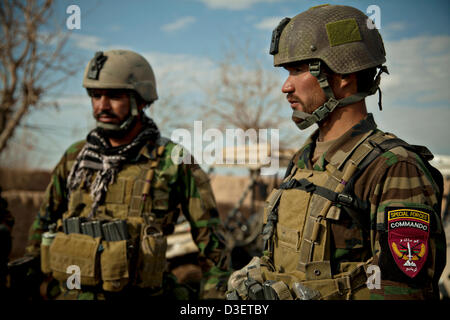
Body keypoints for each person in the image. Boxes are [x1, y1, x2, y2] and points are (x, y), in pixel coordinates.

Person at [227, 4, 446, 300]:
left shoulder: (394, 167)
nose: (285, 86)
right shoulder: (302, 161)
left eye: (298, 69)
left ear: (344, 74)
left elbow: (403, 291)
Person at [24, 49, 230, 300]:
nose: (102, 106)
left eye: (114, 96)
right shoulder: (74, 158)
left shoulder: (174, 160)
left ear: (141, 100)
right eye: (96, 96)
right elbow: (43, 225)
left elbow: (214, 249)